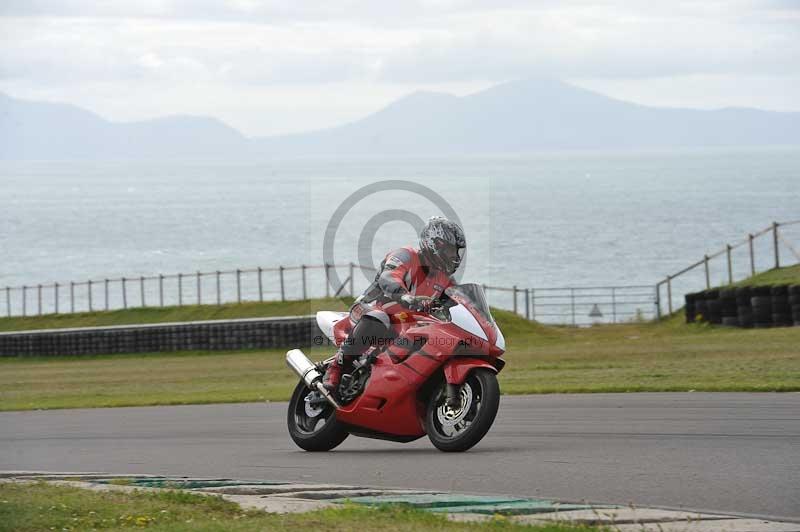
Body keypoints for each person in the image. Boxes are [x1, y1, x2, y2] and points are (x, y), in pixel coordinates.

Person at [322, 216, 466, 391]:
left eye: (456, 252)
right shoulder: (406, 255)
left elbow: (459, 301)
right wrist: (406, 297)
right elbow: (389, 277)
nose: (454, 256)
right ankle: (336, 367)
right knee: (379, 318)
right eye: (451, 250)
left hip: (407, 322)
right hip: (372, 308)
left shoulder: (444, 278)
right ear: (435, 244)